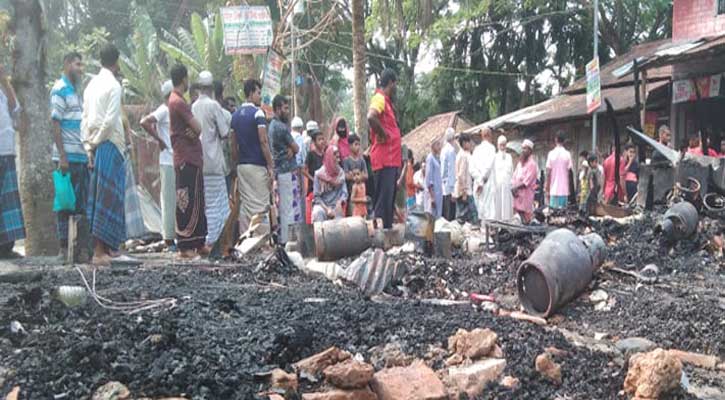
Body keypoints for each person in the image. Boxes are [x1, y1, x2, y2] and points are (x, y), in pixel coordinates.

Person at [82, 44, 128, 265]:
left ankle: (108, 249)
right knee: (107, 198)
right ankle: (99, 252)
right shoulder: (113, 85)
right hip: (109, 142)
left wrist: (88, 145)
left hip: (97, 143)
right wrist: (97, 141)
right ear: (116, 61)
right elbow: (110, 121)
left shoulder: (90, 85)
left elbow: (85, 118)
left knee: (103, 196)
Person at [50, 52, 87, 260]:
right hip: (66, 157)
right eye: (76, 64)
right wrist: (62, 156)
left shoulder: (76, 92)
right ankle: (64, 249)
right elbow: (55, 123)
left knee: (80, 205)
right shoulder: (59, 89)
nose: (80, 69)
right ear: (66, 64)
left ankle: (79, 250)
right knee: (64, 203)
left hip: (80, 156)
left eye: (81, 65)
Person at [168, 64, 206, 259]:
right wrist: (192, 132)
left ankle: (198, 241)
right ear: (184, 79)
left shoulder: (178, 101)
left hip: (190, 157)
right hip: (186, 157)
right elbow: (198, 128)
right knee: (186, 201)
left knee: (196, 199)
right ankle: (185, 245)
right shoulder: (178, 102)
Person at [192, 71, 231, 248]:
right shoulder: (214, 106)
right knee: (219, 205)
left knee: (206, 204)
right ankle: (216, 241)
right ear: (211, 89)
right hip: (214, 162)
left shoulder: (193, 107)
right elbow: (224, 133)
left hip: (199, 161)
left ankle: (206, 240)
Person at [231, 79, 274, 234]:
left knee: (246, 204)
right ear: (250, 93)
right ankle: (261, 239)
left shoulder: (235, 116)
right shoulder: (258, 114)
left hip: (242, 166)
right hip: (257, 166)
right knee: (261, 204)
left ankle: (245, 238)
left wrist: (236, 163)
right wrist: (270, 165)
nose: (260, 96)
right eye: (258, 92)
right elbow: (263, 141)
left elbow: (233, 144)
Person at [140, 80, 175, 249]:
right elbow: (144, 122)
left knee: (174, 199)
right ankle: (169, 238)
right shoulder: (164, 110)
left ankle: (173, 236)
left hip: (174, 160)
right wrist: (160, 140)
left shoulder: (173, 110)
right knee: (168, 199)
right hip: (168, 160)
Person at [367, 68, 402, 229]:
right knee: (383, 203)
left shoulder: (387, 102)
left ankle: (386, 237)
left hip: (390, 161)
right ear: (390, 83)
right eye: (395, 84)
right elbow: (371, 116)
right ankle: (380, 240)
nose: (395, 88)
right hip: (384, 160)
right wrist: (384, 133)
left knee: (388, 203)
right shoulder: (379, 98)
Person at [0, 64, 24, 259]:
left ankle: (6, 247)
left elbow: (15, 108)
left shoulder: (3, 89)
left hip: (7, 151)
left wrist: (4, 80)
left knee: (7, 201)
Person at [268, 95, 299, 244]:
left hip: (279, 171)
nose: (288, 111)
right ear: (278, 109)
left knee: (283, 208)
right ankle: (288, 242)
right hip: (286, 171)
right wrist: (292, 150)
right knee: (288, 208)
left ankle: (285, 239)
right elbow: (296, 148)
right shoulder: (281, 127)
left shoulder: (272, 125)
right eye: (285, 108)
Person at [312, 146, 347, 222]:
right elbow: (316, 197)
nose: (338, 161)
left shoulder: (341, 174)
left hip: (336, 205)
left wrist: (340, 202)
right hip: (323, 205)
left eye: (338, 158)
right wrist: (327, 209)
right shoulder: (319, 175)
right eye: (336, 158)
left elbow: (344, 192)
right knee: (318, 213)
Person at [470, 127, 496, 220]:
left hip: (478, 184)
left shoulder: (476, 150)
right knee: (489, 211)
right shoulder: (491, 148)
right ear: (489, 135)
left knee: (481, 211)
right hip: (487, 183)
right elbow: (489, 166)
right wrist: (482, 180)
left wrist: (478, 180)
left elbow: (471, 169)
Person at [512, 140, 538, 223]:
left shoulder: (532, 164)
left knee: (526, 220)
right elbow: (514, 177)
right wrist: (512, 187)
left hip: (526, 197)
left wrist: (515, 187)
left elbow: (527, 181)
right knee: (517, 220)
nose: (523, 150)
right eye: (522, 148)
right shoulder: (520, 163)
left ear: (530, 151)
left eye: (525, 149)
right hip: (517, 196)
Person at [304, 126, 326, 223]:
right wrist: (313, 179)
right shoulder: (311, 155)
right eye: (319, 139)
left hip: (324, 188)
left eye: (323, 139)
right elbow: (303, 170)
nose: (322, 141)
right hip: (313, 188)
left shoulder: (326, 155)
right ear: (314, 142)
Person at [545, 132, 573, 209]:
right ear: (564, 141)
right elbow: (569, 173)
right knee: (563, 216)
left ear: (555, 140)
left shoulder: (551, 154)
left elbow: (548, 173)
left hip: (553, 190)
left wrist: (546, 188)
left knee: (552, 215)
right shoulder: (567, 154)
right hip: (564, 191)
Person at [454, 133, 476, 224]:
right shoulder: (463, 156)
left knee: (464, 216)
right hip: (465, 190)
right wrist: (464, 192)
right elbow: (461, 175)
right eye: (468, 142)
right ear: (464, 143)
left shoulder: (463, 154)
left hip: (464, 189)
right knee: (469, 216)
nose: (470, 144)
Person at [342, 134, 367, 215]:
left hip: (361, 194)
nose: (358, 147)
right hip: (351, 194)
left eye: (359, 144)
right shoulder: (347, 161)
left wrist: (353, 174)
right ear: (350, 146)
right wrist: (359, 175)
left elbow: (366, 175)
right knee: (353, 216)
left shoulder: (362, 160)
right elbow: (346, 176)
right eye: (356, 144)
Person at [492, 135, 513, 221]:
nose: (503, 147)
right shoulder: (495, 157)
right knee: (498, 207)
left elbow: (511, 171)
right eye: (501, 145)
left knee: (507, 207)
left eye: (504, 145)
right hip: (497, 185)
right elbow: (493, 172)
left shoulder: (509, 157)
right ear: (497, 145)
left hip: (507, 186)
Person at [290, 116, 307, 218]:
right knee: (299, 195)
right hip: (298, 171)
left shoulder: (289, 136)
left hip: (289, 171)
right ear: (301, 129)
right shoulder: (300, 138)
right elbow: (302, 157)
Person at [440, 127, 457, 221]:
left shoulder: (443, 150)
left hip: (443, 186)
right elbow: (452, 170)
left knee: (444, 215)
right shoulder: (451, 150)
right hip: (449, 187)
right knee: (450, 215)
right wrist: (453, 189)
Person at [425, 139, 443, 218]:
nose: (440, 147)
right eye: (437, 145)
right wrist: (432, 197)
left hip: (438, 193)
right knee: (432, 218)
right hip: (433, 194)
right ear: (433, 146)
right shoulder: (430, 158)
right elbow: (429, 179)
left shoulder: (436, 158)